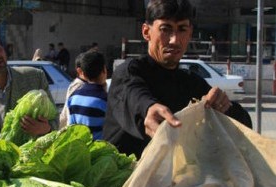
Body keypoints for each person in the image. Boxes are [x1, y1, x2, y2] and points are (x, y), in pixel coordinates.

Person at [103, 0, 252, 159]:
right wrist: (148, 109)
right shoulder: (129, 72)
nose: (174, 40)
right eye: (165, 29)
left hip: (172, 181)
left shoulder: (190, 83)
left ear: (190, 33)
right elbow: (134, 96)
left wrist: (225, 106)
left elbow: (244, 125)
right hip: (123, 179)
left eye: (182, 29)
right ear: (147, 32)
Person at [67, 51, 108, 140]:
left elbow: (71, 127)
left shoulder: (73, 97)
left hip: (80, 149)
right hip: (100, 151)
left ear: (83, 73)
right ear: (104, 70)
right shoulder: (106, 100)